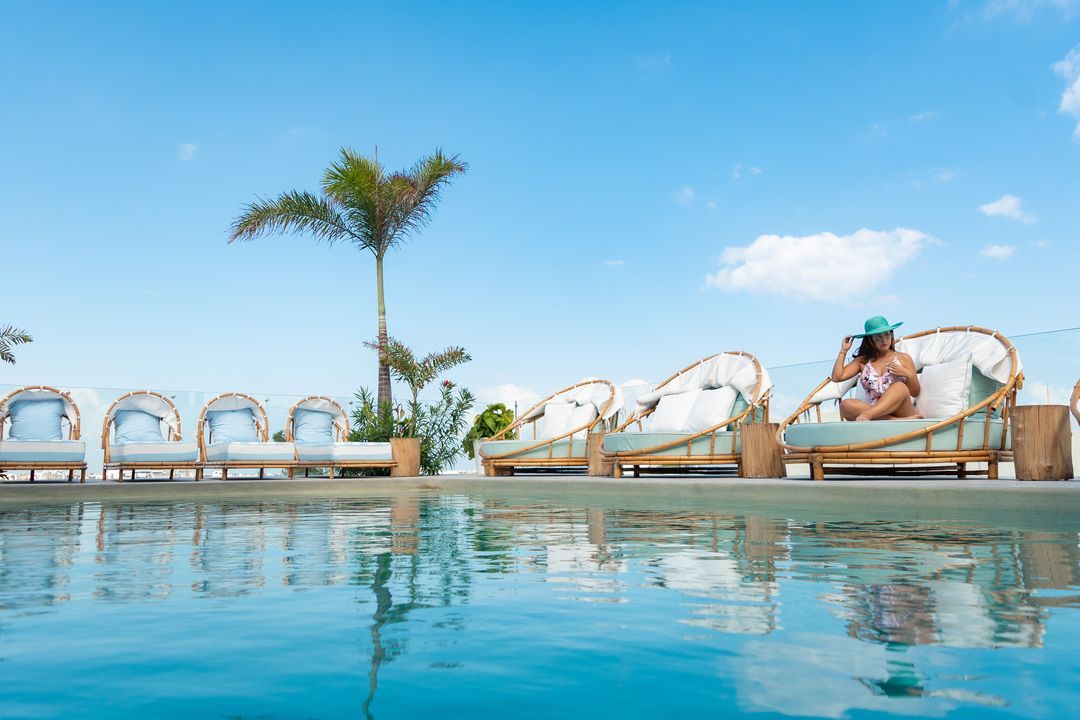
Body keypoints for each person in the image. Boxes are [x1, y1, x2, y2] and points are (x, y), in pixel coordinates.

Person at [831, 316, 922, 422]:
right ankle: (892, 420)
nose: (884, 340)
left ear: (891, 335)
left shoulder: (903, 358)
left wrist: (908, 374)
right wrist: (843, 351)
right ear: (870, 340)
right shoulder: (863, 361)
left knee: (900, 387)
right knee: (845, 405)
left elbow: (915, 393)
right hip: (875, 410)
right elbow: (836, 377)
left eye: (887, 335)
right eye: (878, 337)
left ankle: (872, 415)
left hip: (901, 409)